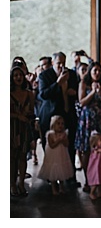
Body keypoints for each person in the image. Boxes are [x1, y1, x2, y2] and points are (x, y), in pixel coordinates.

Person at [37, 51, 80, 187]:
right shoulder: (45, 75)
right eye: (58, 63)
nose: (61, 66)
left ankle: (70, 175)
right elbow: (43, 94)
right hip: (51, 115)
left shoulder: (72, 74)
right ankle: (52, 176)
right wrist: (58, 83)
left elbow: (78, 91)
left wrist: (73, 93)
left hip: (68, 114)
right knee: (51, 148)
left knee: (70, 145)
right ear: (53, 63)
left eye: (63, 62)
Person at [75, 63, 101, 189]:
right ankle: (87, 180)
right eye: (95, 71)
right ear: (90, 72)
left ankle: (99, 180)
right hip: (87, 119)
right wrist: (92, 92)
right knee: (86, 150)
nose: (97, 73)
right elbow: (82, 102)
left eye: (99, 71)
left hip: (100, 119)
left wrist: (100, 93)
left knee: (100, 150)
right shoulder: (83, 84)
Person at [11, 66, 36, 197]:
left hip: (25, 127)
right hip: (12, 128)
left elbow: (32, 111)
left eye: (20, 75)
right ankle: (12, 184)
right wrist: (17, 116)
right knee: (12, 158)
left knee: (22, 157)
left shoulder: (29, 94)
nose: (18, 78)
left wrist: (28, 114)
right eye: (15, 75)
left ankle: (21, 183)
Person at [39, 115, 75, 196]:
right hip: (53, 156)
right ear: (53, 125)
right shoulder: (50, 134)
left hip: (62, 155)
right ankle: (54, 188)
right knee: (53, 171)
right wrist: (59, 141)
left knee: (61, 171)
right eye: (58, 123)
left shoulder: (64, 134)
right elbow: (52, 145)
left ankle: (62, 187)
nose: (60, 126)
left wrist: (64, 140)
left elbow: (67, 144)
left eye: (62, 124)